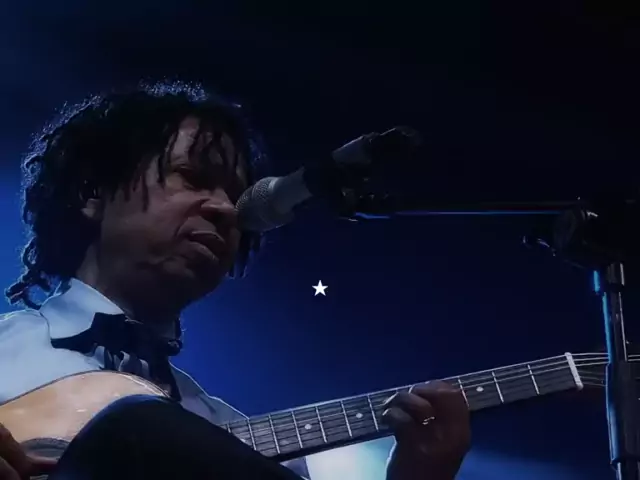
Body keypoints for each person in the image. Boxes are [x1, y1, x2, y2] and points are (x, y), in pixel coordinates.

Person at [0, 81, 471, 480]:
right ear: (92, 192)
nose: (227, 209)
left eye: (236, 195)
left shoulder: (241, 443)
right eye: (192, 176)